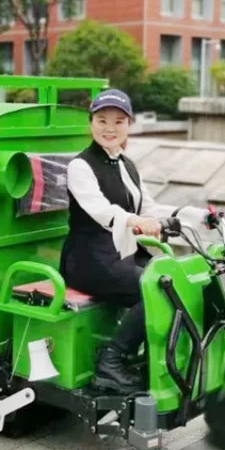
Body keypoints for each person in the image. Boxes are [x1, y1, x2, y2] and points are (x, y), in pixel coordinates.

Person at [59, 89, 207, 393]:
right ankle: (110, 363)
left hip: (123, 254)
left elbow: (148, 207)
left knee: (176, 280)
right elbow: (102, 211)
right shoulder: (80, 166)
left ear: (129, 125)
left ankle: (155, 358)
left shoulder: (126, 165)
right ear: (91, 123)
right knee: (154, 288)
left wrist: (192, 215)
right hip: (89, 259)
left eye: (118, 121)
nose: (109, 128)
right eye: (101, 120)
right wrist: (135, 222)